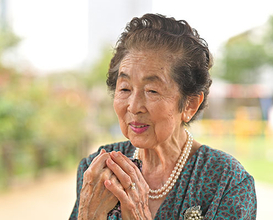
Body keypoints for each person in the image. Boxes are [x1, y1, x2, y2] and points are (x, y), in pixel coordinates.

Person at [69, 13, 257, 219]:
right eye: (124, 89)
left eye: (152, 90)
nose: (134, 106)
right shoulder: (97, 171)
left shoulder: (227, 182)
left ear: (190, 104)